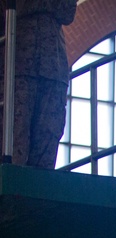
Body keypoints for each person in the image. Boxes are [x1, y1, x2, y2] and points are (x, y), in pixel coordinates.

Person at [0, 0, 76, 167]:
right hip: (15, 65)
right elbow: (10, 6)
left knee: (46, 146)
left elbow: (68, 10)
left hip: (53, 69)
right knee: (13, 146)